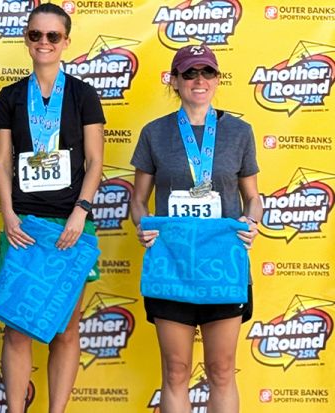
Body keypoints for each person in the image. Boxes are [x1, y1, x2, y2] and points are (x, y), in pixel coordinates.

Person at [130, 44, 261, 413]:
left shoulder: (240, 132)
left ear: (217, 79)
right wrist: (142, 225)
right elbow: (138, 199)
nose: (198, 80)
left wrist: (252, 222)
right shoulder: (154, 133)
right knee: (175, 371)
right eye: (189, 73)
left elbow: (253, 197)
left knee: (221, 370)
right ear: (174, 81)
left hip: (223, 265)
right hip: (172, 265)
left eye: (207, 72)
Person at [0, 4, 105, 413]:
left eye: (53, 36)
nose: (44, 42)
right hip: (24, 224)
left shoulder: (82, 94)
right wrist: (8, 215)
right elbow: (1, 162)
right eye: (36, 34)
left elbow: (95, 161)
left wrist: (81, 211)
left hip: (71, 223)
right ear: (26, 39)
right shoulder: (9, 96)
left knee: (66, 329)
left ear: (66, 42)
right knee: (17, 328)